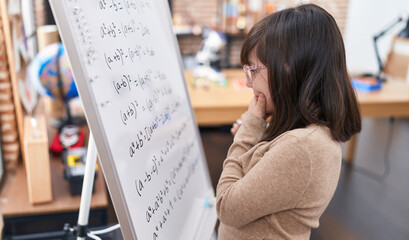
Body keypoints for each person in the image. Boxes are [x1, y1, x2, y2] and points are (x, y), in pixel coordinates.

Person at [216, 4, 361, 240]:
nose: (249, 83)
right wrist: (250, 140)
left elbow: (226, 207)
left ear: (287, 69)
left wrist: (245, 137)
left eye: (253, 70)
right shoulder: (307, 135)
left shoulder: (302, 147)